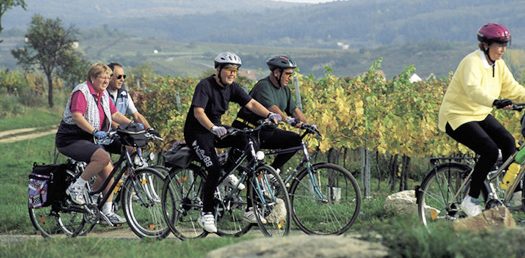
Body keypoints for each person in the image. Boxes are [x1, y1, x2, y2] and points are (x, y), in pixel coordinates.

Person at [183, 52, 281, 233]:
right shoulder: (205, 86)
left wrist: (269, 114)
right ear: (218, 70)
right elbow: (198, 112)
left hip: (216, 130)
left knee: (248, 141)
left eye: (235, 71)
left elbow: (251, 104)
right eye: (229, 70)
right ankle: (206, 214)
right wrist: (212, 128)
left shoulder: (233, 88)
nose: (232, 74)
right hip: (198, 132)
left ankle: (250, 207)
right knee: (212, 168)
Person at [438, 23, 525, 217]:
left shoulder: (499, 64)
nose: (503, 49)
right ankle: (471, 199)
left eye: (505, 44)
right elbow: (473, 89)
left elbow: (513, 88)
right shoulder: (472, 62)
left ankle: (516, 193)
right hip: (457, 115)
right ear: (486, 45)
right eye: (499, 45)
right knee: (490, 150)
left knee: (509, 142)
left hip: (479, 113)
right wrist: (495, 101)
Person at [55, 63, 133, 224]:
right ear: (92, 77)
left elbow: (115, 114)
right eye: (102, 77)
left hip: (89, 139)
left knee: (109, 171)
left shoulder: (103, 94)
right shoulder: (82, 92)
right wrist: (94, 131)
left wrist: (133, 125)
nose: (106, 80)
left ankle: (107, 212)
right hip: (70, 139)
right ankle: (75, 188)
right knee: (103, 157)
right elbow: (77, 116)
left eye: (108, 77)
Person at [233, 55, 308, 173]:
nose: (290, 77)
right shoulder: (263, 86)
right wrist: (289, 120)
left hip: (266, 132)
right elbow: (274, 110)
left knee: (294, 140)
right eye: (288, 74)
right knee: (256, 166)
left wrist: (307, 124)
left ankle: (272, 171)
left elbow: (295, 110)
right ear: (277, 73)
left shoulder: (285, 90)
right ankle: (254, 188)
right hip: (248, 130)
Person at [106, 62, 159, 137]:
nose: (122, 79)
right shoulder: (102, 94)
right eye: (119, 77)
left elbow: (136, 115)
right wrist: (121, 128)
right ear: (109, 77)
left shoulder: (124, 94)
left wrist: (149, 129)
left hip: (120, 134)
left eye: (124, 76)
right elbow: (106, 119)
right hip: (105, 136)